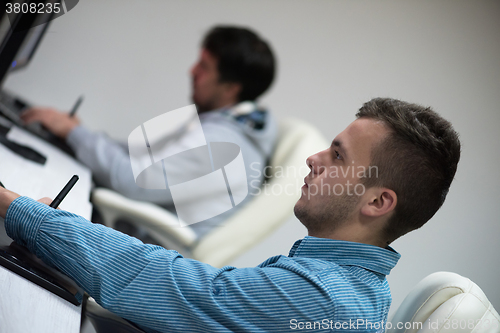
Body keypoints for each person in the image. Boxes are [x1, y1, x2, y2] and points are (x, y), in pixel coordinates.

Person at [0, 98, 461, 332]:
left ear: (378, 202)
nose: (313, 160)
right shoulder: (356, 289)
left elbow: (166, 284)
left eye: (337, 156)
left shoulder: (323, 298)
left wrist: (17, 210)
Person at [20, 26, 278, 237]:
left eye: (204, 66)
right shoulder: (224, 123)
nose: (192, 71)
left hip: (146, 246)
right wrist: (76, 132)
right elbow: (143, 153)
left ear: (231, 88)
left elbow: (131, 180)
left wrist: (75, 134)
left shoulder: (222, 143)